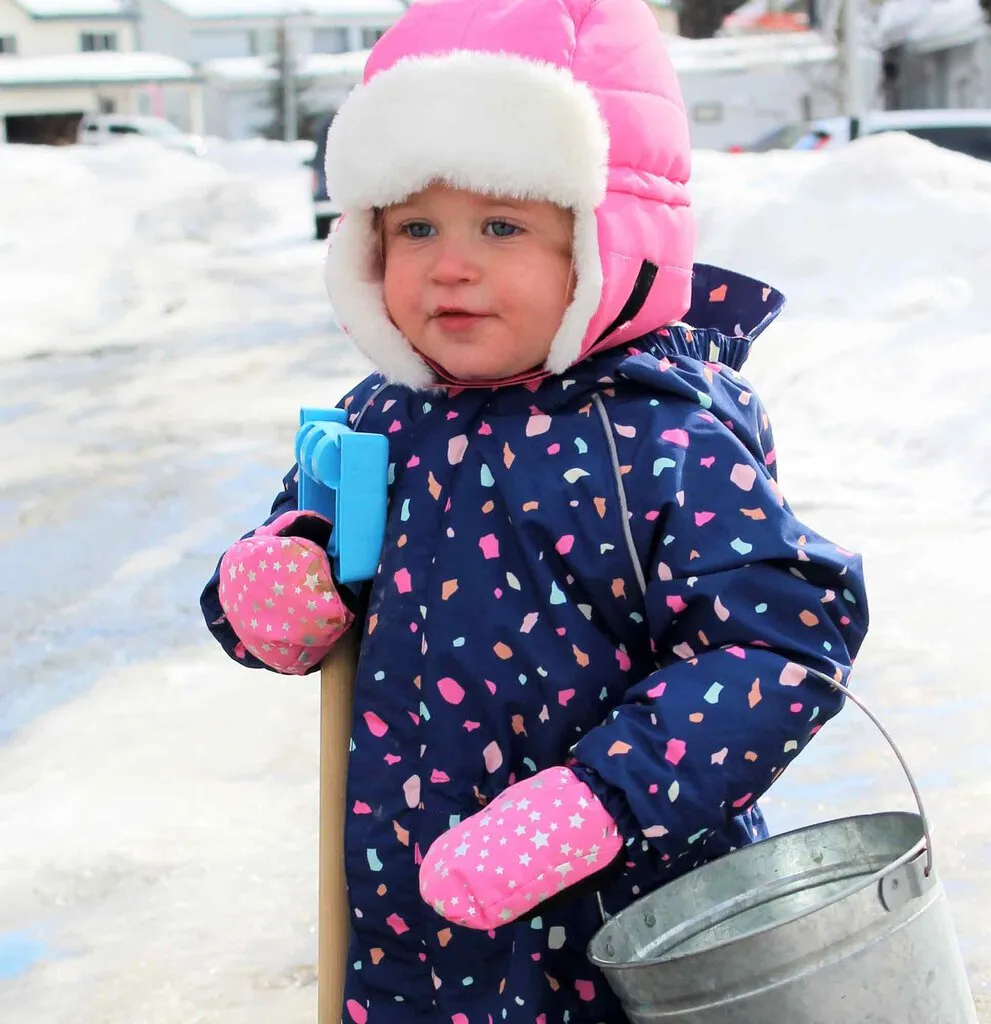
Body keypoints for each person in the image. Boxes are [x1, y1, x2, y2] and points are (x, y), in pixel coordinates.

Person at [200, 0, 869, 1019]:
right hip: (411, 944)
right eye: (414, 225)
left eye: (501, 225)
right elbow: (315, 546)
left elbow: (778, 646)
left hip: (626, 939)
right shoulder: (381, 417)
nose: (449, 264)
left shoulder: (657, 436)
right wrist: (275, 573)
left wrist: (601, 800)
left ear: (604, 240)